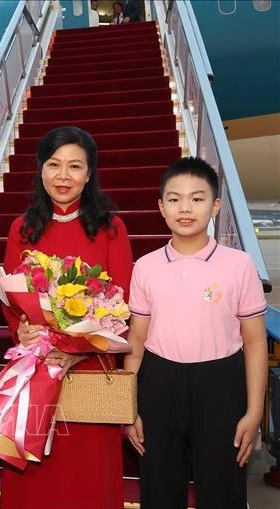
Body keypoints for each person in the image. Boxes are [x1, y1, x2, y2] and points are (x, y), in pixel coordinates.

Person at [0, 126, 133, 509]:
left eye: (75, 166)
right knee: (37, 478)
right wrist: (22, 331)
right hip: (37, 367)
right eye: (54, 164)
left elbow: (120, 303)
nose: (63, 176)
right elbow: (11, 300)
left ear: (89, 173)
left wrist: (80, 351)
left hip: (90, 369)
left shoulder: (111, 228)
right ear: (40, 168)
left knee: (86, 480)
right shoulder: (22, 229)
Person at [124, 157, 268, 509]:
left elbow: (254, 342)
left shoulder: (239, 265)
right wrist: (128, 408)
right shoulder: (145, 267)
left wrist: (254, 412)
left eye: (198, 198)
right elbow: (137, 342)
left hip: (221, 383)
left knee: (223, 488)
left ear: (216, 205)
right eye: (174, 199)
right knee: (159, 487)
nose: (185, 208)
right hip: (159, 383)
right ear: (161, 206)